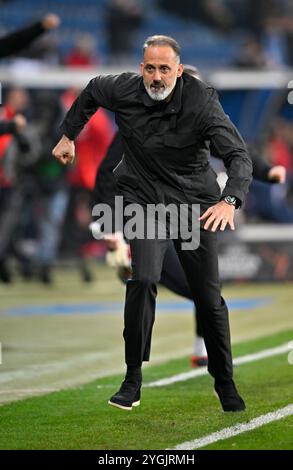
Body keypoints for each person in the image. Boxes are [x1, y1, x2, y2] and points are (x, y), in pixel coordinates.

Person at [53, 35, 253, 412]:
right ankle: (132, 379)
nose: (157, 77)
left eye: (164, 69)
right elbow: (92, 90)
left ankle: (224, 381)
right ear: (140, 67)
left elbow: (238, 155)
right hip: (144, 204)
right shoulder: (124, 90)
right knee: (142, 278)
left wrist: (230, 199)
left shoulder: (202, 101)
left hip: (195, 207)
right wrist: (67, 135)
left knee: (209, 300)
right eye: (150, 68)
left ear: (179, 71)